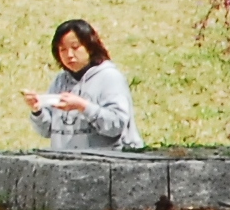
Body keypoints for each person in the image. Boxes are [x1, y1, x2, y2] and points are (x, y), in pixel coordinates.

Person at [23, 18, 144, 151]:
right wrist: (37, 110)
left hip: (108, 163)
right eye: (62, 49)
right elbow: (46, 131)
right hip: (68, 163)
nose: (69, 55)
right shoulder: (60, 81)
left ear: (90, 47)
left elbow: (116, 124)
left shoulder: (109, 77)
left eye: (75, 48)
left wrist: (83, 106)